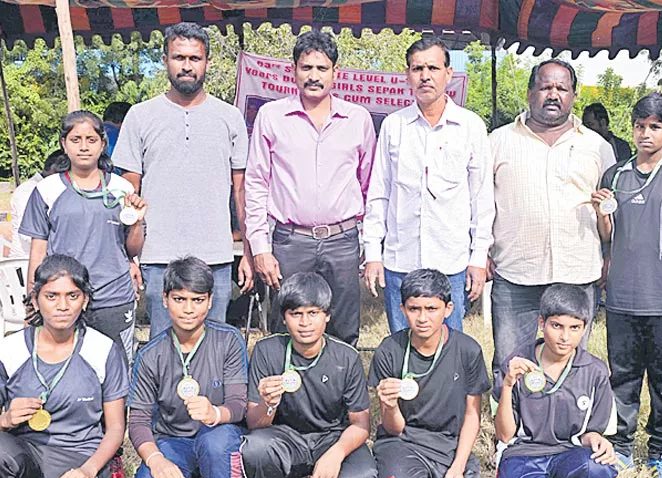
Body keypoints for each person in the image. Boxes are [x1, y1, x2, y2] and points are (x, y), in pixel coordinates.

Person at [591, 93, 662, 478]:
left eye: (655, 127)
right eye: (640, 126)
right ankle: (621, 447)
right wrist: (601, 212)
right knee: (621, 377)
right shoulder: (616, 175)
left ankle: (661, 452)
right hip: (622, 297)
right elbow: (608, 236)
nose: (645, 133)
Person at [113, 22, 252, 339]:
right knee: (163, 352)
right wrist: (129, 257)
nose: (187, 66)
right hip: (158, 257)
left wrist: (248, 251)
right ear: (165, 60)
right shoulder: (140, 115)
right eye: (179, 57)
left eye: (195, 58)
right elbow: (128, 195)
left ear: (207, 63)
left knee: (214, 351)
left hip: (215, 257)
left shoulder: (229, 117)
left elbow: (241, 192)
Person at [0, 255, 128, 478]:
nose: (62, 306)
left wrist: (89, 469)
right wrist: (6, 419)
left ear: (84, 300)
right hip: (24, 451)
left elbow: (115, 428)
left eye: (72, 296)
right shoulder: (10, 349)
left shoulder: (103, 349)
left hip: (76, 457)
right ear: (36, 299)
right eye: (52, 296)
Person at [245, 31, 376, 347]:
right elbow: (256, 184)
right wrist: (261, 248)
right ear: (294, 70)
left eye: (322, 68)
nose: (314, 76)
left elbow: (371, 186)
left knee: (343, 331)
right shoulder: (272, 117)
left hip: (342, 241)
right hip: (291, 242)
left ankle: (337, 394)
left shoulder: (357, 119)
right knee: (286, 329)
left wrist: (370, 247)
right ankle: (286, 395)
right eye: (306, 68)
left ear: (336, 73)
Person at [489, 59, 616, 379]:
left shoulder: (597, 147)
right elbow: (480, 202)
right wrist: (482, 252)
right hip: (515, 270)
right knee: (510, 360)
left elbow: (613, 212)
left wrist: (610, 255)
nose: (553, 95)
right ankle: (511, 426)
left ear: (574, 95)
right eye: (545, 87)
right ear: (531, 92)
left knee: (571, 363)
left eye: (562, 88)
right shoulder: (499, 141)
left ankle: (567, 424)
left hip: (576, 271)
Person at [363, 38, 494, 333]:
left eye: (433, 68)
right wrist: (373, 253)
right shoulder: (393, 126)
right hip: (400, 260)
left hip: (452, 262)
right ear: (407, 75)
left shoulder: (471, 126)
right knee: (402, 345)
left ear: (448, 74)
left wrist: (478, 258)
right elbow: (379, 194)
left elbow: (482, 199)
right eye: (417, 68)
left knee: (450, 349)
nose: (425, 75)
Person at [240, 272, 376, 478]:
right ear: (284, 316)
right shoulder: (267, 350)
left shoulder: (346, 357)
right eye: (296, 313)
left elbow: (361, 425)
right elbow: (254, 423)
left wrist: (335, 455)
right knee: (254, 448)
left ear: (327, 315)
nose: (304, 323)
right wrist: (269, 402)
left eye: (313, 313)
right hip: (286, 437)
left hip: (331, 436)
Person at [127, 257, 247, 478]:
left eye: (197, 299)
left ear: (209, 302)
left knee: (217, 441)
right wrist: (156, 460)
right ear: (165, 300)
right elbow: (139, 420)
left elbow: (239, 405)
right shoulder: (150, 353)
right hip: (173, 443)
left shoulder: (229, 341)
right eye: (179, 299)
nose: (189, 308)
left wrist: (215, 413)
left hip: (217, 436)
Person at [370, 269, 490, 478]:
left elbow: (472, 415)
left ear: (448, 309)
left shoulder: (467, 350)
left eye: (431, 309)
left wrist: (459, 466)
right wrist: (388, 405)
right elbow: (394, 428)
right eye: (414, 309)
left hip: (448, 444)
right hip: (403, 441)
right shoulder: (390, 350)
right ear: (402, 309)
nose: (423, 318)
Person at [493, 284, 617, 478]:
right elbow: (504, 434)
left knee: (597, 469)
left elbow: (591, 432)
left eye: (575, 327)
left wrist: (598, 440)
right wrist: (508, 385)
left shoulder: (595, 371)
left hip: (568, 454)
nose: (564, 337)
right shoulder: (516, 363)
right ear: (541, 323)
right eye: (557, 326)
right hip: (524, 454)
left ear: (585, 327)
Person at [20, 111, 146, 364]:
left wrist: (137, 221)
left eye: (91, 139)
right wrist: (33, 299)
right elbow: (38, 251)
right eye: (76, 139)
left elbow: (132, 249)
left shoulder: (122, 189)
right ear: (63, 145)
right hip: (64, 297)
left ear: (102, 144)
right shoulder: (47, 190)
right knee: (66, 366)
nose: (84, 147)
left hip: (113, 296)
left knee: (116, 367)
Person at [7, 151, 62, 259]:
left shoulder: (51, 189)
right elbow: (29, 235)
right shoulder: (28, 191)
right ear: (54, 171)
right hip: (26, 262)